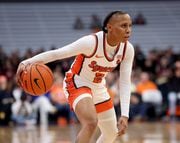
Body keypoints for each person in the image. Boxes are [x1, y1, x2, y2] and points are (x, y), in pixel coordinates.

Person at [16, 11, 134, 143]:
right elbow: (58, 54)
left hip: (99, 87)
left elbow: (124, 82)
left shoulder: (127, 49)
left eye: (130, 25)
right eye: (123, 26)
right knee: (91, 122)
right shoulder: (91, 42)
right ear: (109, 27)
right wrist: (26, 62)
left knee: (112, 134)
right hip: (77, 83)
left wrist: (125, 114)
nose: (128, 30)